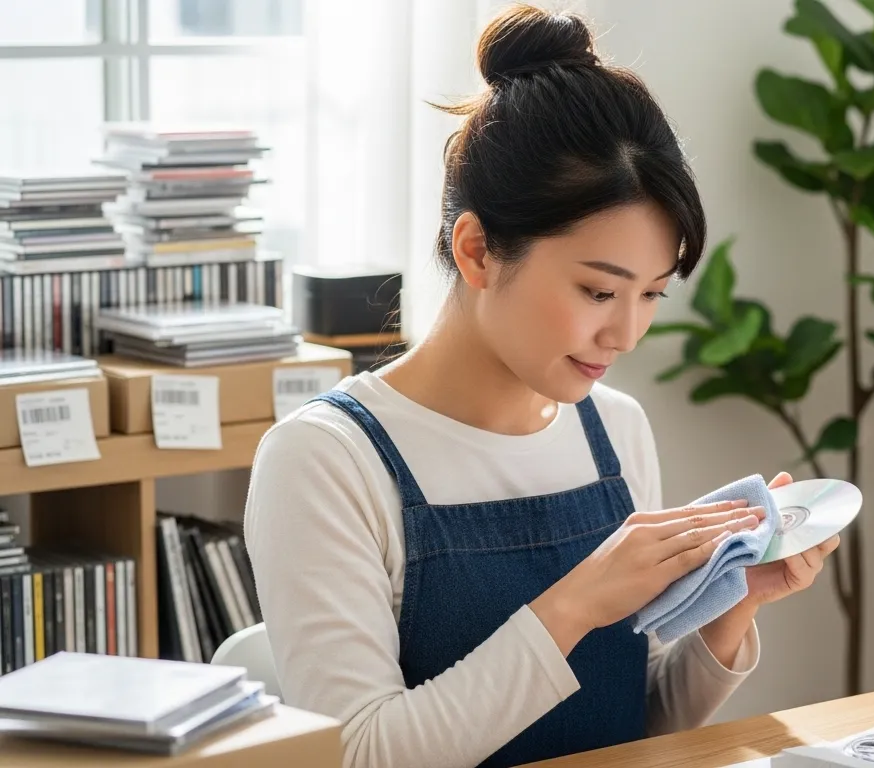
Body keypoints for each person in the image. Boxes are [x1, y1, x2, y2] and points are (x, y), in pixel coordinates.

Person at [242, 4, 841, 768]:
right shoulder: (325, 461)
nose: (626, 335)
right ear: (478, 251)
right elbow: (363, 753)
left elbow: (635, 721)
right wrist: (575, 603)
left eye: (652, 295)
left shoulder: (614, 430)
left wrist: (734, 604)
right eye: (599, 291)